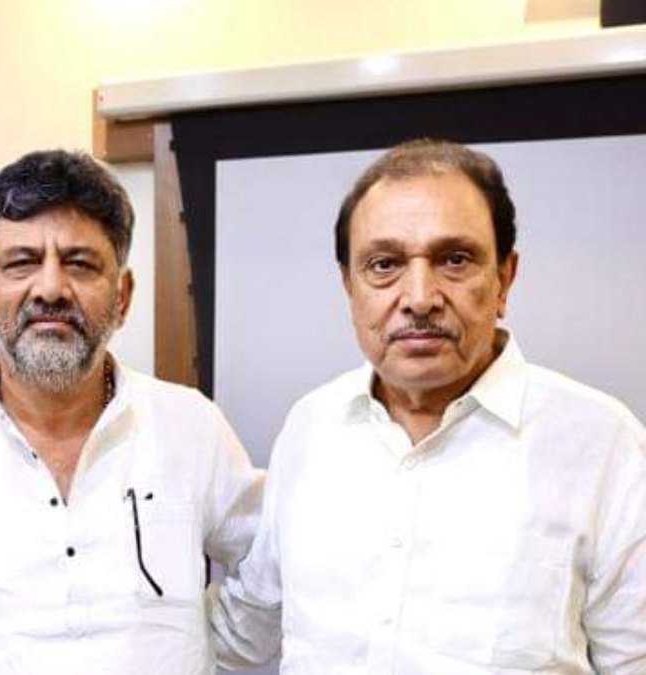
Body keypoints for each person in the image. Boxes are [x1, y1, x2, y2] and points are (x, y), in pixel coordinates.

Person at [215, 139, 646, 673]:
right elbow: (251, 628)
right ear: (349, 286)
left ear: (505, 278)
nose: (420, 297)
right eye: (384, 264)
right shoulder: (311, 426)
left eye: (455, 259)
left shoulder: (603, 444)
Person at [0, 149, 274, 674]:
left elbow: (270, 563)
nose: (50, 289)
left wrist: (206, 652)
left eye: (80, 264)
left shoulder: (189, 426)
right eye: (21, 263)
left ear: (123, 296)